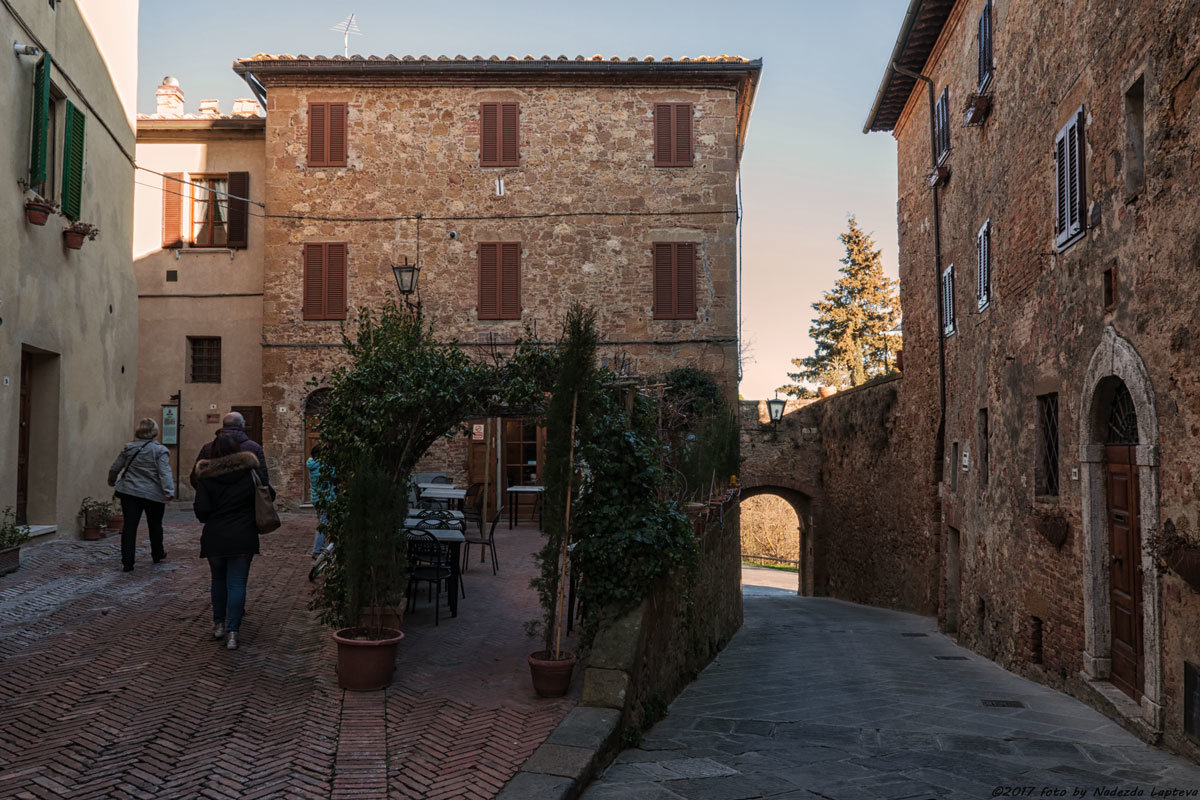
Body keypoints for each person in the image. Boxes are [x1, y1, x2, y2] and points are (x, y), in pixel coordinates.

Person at [193, 435, 261, 651]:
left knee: (218, 581)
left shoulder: (206, 477)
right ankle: (233, 631)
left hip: (215, 535)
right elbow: (267, 495)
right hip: (243, 534)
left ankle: (219, 624)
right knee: (237, 582)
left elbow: (202, 510)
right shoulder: (249, 473)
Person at [108, 418, 175, 572]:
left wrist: (112, 480)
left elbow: (115, 467)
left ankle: (127, 561)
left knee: (130, 526)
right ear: (154, 431)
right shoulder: (160, 450)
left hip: (130, 492)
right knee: (155, 524)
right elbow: (164, 472)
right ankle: (157, 553)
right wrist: (169, 491)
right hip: (153, 494)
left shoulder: (129, 448)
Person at [190, 411, 269, 489]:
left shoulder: (208, 447)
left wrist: (208, 492)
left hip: (215, 498)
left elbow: (195, 477)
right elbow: (263, 479)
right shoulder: (254, 447)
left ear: (223, 425)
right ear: (242, 424)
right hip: (244, 498)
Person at [306, 443, 334, 557]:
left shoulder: (312, 464)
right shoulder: (324, 466)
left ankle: (320, 547)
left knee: (322, 521)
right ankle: (317, 550)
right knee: (323, 524)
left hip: (316, 499)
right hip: (325, 499)